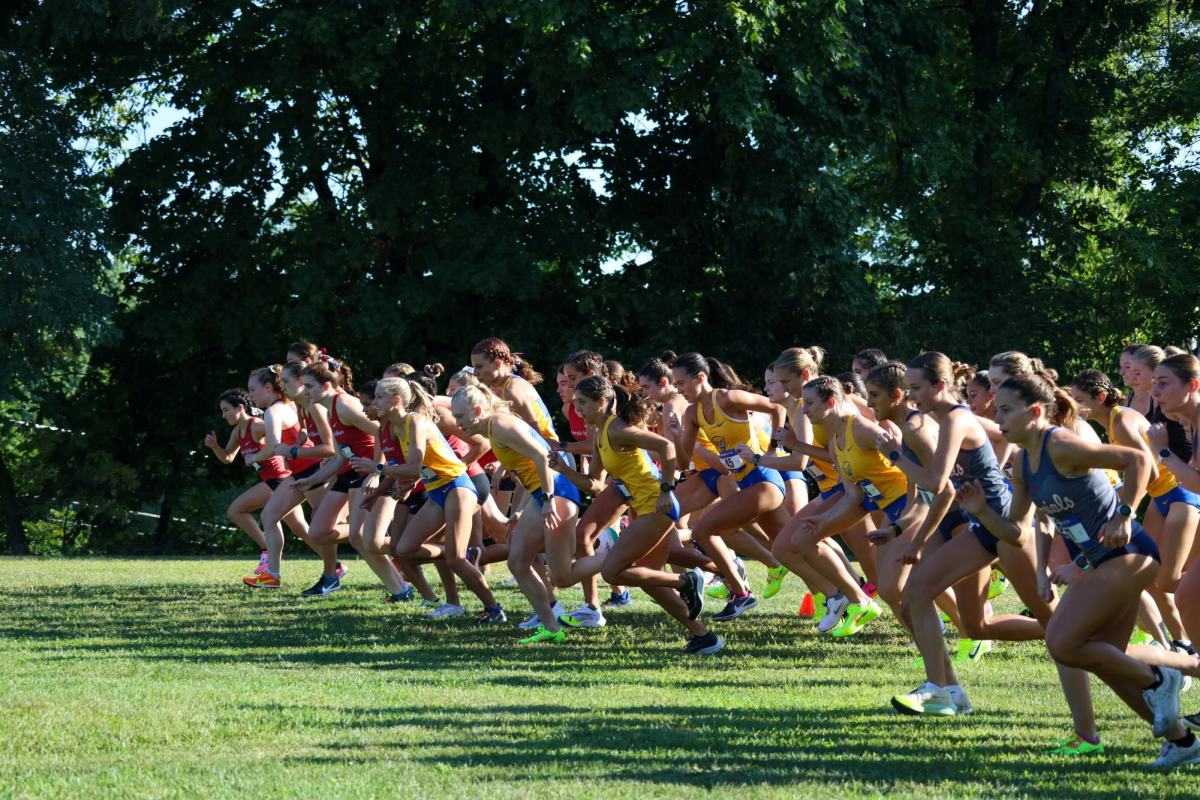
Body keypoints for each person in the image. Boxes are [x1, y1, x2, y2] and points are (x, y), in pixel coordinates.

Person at [962, 372, 1200, 766]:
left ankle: (1160, 678)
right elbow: (1015, 529)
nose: (997, 418)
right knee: (1105, 657)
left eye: (1005, 409)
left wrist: (1124, 515)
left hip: (1128, 554)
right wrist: (982, 512)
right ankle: (1183, 742)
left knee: (1061, 641)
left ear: (1036, 412)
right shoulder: (1023, 462)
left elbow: (1138, 459)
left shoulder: (1061, 444)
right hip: (1098, 561)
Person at [553, 376, 724, 654]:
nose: (578, 408)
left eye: (582, 402)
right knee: (649, 580)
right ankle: (704, 637)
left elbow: (666, 447)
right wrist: (564, 469)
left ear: (601, 402)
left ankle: (687, 580)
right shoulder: (600, 435)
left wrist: (668, 490)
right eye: (577, 403)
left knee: (612, 571)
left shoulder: (618, 429)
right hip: (647, 508)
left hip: (658, 506)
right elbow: (595, 484)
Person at [451, 384, 585, 639]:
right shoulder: (494, 428)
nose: (457, 423)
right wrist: (522, 510)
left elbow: (542, 456)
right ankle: (551, 628)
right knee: (518, 561)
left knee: (563, 576)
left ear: (478, 411)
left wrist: (546, 500)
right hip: (542, 493)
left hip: (557, 490)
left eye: (460, 416)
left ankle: (612, 554)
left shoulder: (500, 425)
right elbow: (527, 471)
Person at [669, 352, 790, 621]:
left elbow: (777, 408)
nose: (678, 390)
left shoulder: (727, 398)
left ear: (700, 378)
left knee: (704, 530)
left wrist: (773, 450)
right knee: (791, 545)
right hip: (746, 484)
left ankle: (741, 593)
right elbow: (683, 460)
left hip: (765, 479)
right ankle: (840, 594)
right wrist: (677, 435)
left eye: (681, 383)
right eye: (675, 384)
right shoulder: (692, 413)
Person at [379, 378, 503, 622]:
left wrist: (377, 469)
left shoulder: (415, 422)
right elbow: (423, 468)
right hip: (437, 491)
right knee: (403, 550)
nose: (374, 402)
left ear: (396, 401)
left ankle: (494, 609)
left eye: (378, 396)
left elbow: (414, 467)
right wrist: (405, 486)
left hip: (458, 487)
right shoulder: (398, 427)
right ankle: (457, 565)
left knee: (455, 559)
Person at [204, 388, 303, 581]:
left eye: (226, 410)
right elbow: (228, 458)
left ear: (239, 408)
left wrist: (291, 453)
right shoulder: (237, 432)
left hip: (281, 478)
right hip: (271, 481)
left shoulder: (257, 425)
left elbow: (282, 435)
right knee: (300, 529)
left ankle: (267, 552)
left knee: (236, 510)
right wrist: (215, 446)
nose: (223, 415)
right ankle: (334, 565)